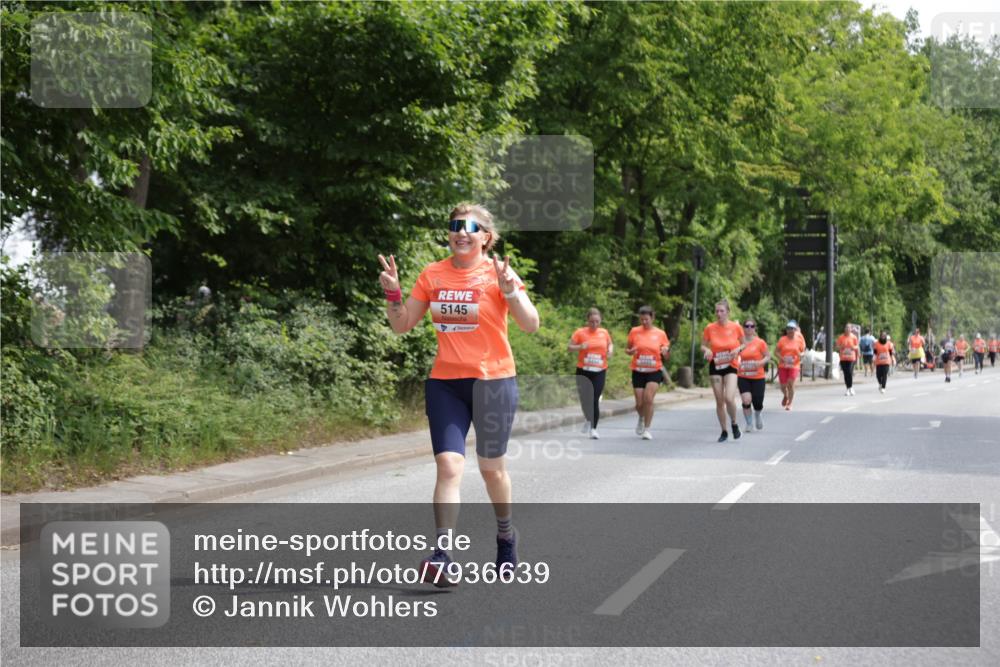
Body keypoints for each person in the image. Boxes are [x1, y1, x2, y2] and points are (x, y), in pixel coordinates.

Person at [378, 202, 540, 585]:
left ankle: (505, 535)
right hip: (445, 383)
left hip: (494, 382)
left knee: (491, 469)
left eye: (470, 226)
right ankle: (444, 554)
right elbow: (401, 325)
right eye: (455, 225)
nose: (461, 232)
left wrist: (510, 293)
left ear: (486, 237)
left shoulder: (499, 273)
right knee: (449, 466)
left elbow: (530, 324)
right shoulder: (432, 274)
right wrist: (393, 294)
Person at [701, 299, 745, 442]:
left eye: (722, 311)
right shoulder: (710, 328)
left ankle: (734, 423)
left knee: (729, 398)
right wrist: (707, 350)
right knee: (719, 401)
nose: (719, 314)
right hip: (716, 365)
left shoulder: (736, 327)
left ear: (728, 312)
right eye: (717, 311)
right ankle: (724, 431)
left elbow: (744, 344)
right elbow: (702, 345)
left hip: (731, 364)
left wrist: (738, 349)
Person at [626, 306, 670, 441]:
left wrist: (665, 352)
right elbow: (628, 349)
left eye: (647, 319)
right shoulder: (634, 331)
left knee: (648, 399)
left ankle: (647, 429)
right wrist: (630, 352)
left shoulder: (660, 333)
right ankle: (641, 417)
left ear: (652, 318)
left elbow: (667, 355)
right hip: (638, 370)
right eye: (642, 319)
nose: (644, 322)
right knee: (639, 404)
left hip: (654, 370)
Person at [568, 308, 613, 439]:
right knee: (584, 399)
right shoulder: (580, 332)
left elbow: (610, 344)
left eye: (597, 321)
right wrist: (580, 347)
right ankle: (588, 419)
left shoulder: (604, 333)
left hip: (599, 370)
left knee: (594, 399)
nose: (594, 324)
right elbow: (569, 347)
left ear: (601, 321)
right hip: (583, 370)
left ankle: (594, 428)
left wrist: (610, 350)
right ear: (587, 320)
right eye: (592, 321)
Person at [737, 318, 770, 432]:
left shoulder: (760, 342)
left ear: (755, 328)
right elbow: (733, 355)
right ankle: (749, 423)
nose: (749, 328)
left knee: (758, 402)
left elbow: (767, 356)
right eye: (747, 326)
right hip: (743, 376)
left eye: (751, 326)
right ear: (743, 328)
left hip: (758, 377)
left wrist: (760, 363)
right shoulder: (739, 342)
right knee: (746, 400)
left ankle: (758, 414)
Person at [776, 320, 806, 410]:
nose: (790, 330)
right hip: (783, 365)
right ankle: (786, 395)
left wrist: (801, 355)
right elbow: (776, 352)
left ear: (795, 330)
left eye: (792, 329)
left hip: (794, 365)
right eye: (788, 329)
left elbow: (803, 351)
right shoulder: (782, 340)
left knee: (790, 383)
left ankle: (790, 403)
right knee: (783, 385)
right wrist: (782, 358)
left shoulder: (799, 340)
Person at [836, 323, 860, 396]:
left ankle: (851, 387)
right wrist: (841, 347)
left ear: (851, 329)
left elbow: (857, 347)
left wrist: (854, 348)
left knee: (849, 372)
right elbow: (837, 347)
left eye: (849, 328)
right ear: (844, 329)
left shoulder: (854, 337)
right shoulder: (841, 337)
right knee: (846, 374)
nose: (847, 329)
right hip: (843, 358)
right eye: (846, 328)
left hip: (851, 358)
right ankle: (848, 388)